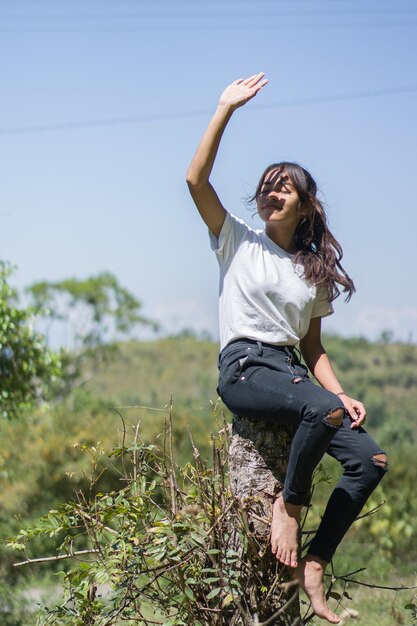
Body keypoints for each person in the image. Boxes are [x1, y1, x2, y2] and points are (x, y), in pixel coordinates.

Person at [186, 72, 388, 624]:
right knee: (318, 410)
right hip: (246, 366)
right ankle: (288, 510)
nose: (273, 192)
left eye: (286, 187)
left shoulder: (310, 271)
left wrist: (341, 395)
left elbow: (313, 346)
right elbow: (195, 179)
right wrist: (225, 107)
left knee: (369, 460)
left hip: (291, 371)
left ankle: (315, 563)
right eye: (267, 185)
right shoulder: (235, 239)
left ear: (305, 205)